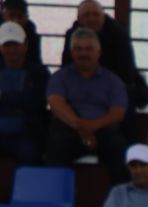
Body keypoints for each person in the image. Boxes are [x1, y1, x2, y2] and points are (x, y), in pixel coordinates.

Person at [43, 27, 129, 181]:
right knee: (56, 147)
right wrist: (82, 128)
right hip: (68, 129)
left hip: (103, 130)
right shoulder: (59, 77)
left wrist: (92, 127)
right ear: (71, 52)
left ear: (98, 52)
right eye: (78, 49)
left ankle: (119, 202)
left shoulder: (113, 81)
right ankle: (56, 201)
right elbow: (56, 104)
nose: (83, 53)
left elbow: (118, 113)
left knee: (119, 149)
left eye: (89, 49)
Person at [61, 0, 148, 132]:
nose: (92, 19)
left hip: (112, 89)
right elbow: (66, 70)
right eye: (87, 15)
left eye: (95, 14)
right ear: (78, 19)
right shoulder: (71, 36)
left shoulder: (118, 35)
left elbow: (126, 73)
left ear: (103, 16)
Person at [0, 20, 50, 164]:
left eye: (15, 44)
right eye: (7, 45)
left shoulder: (39, 73)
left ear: (25, 45)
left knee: (31, 154)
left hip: (27, 133)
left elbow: (36, 102)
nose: (11, 50)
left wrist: (3, 96)